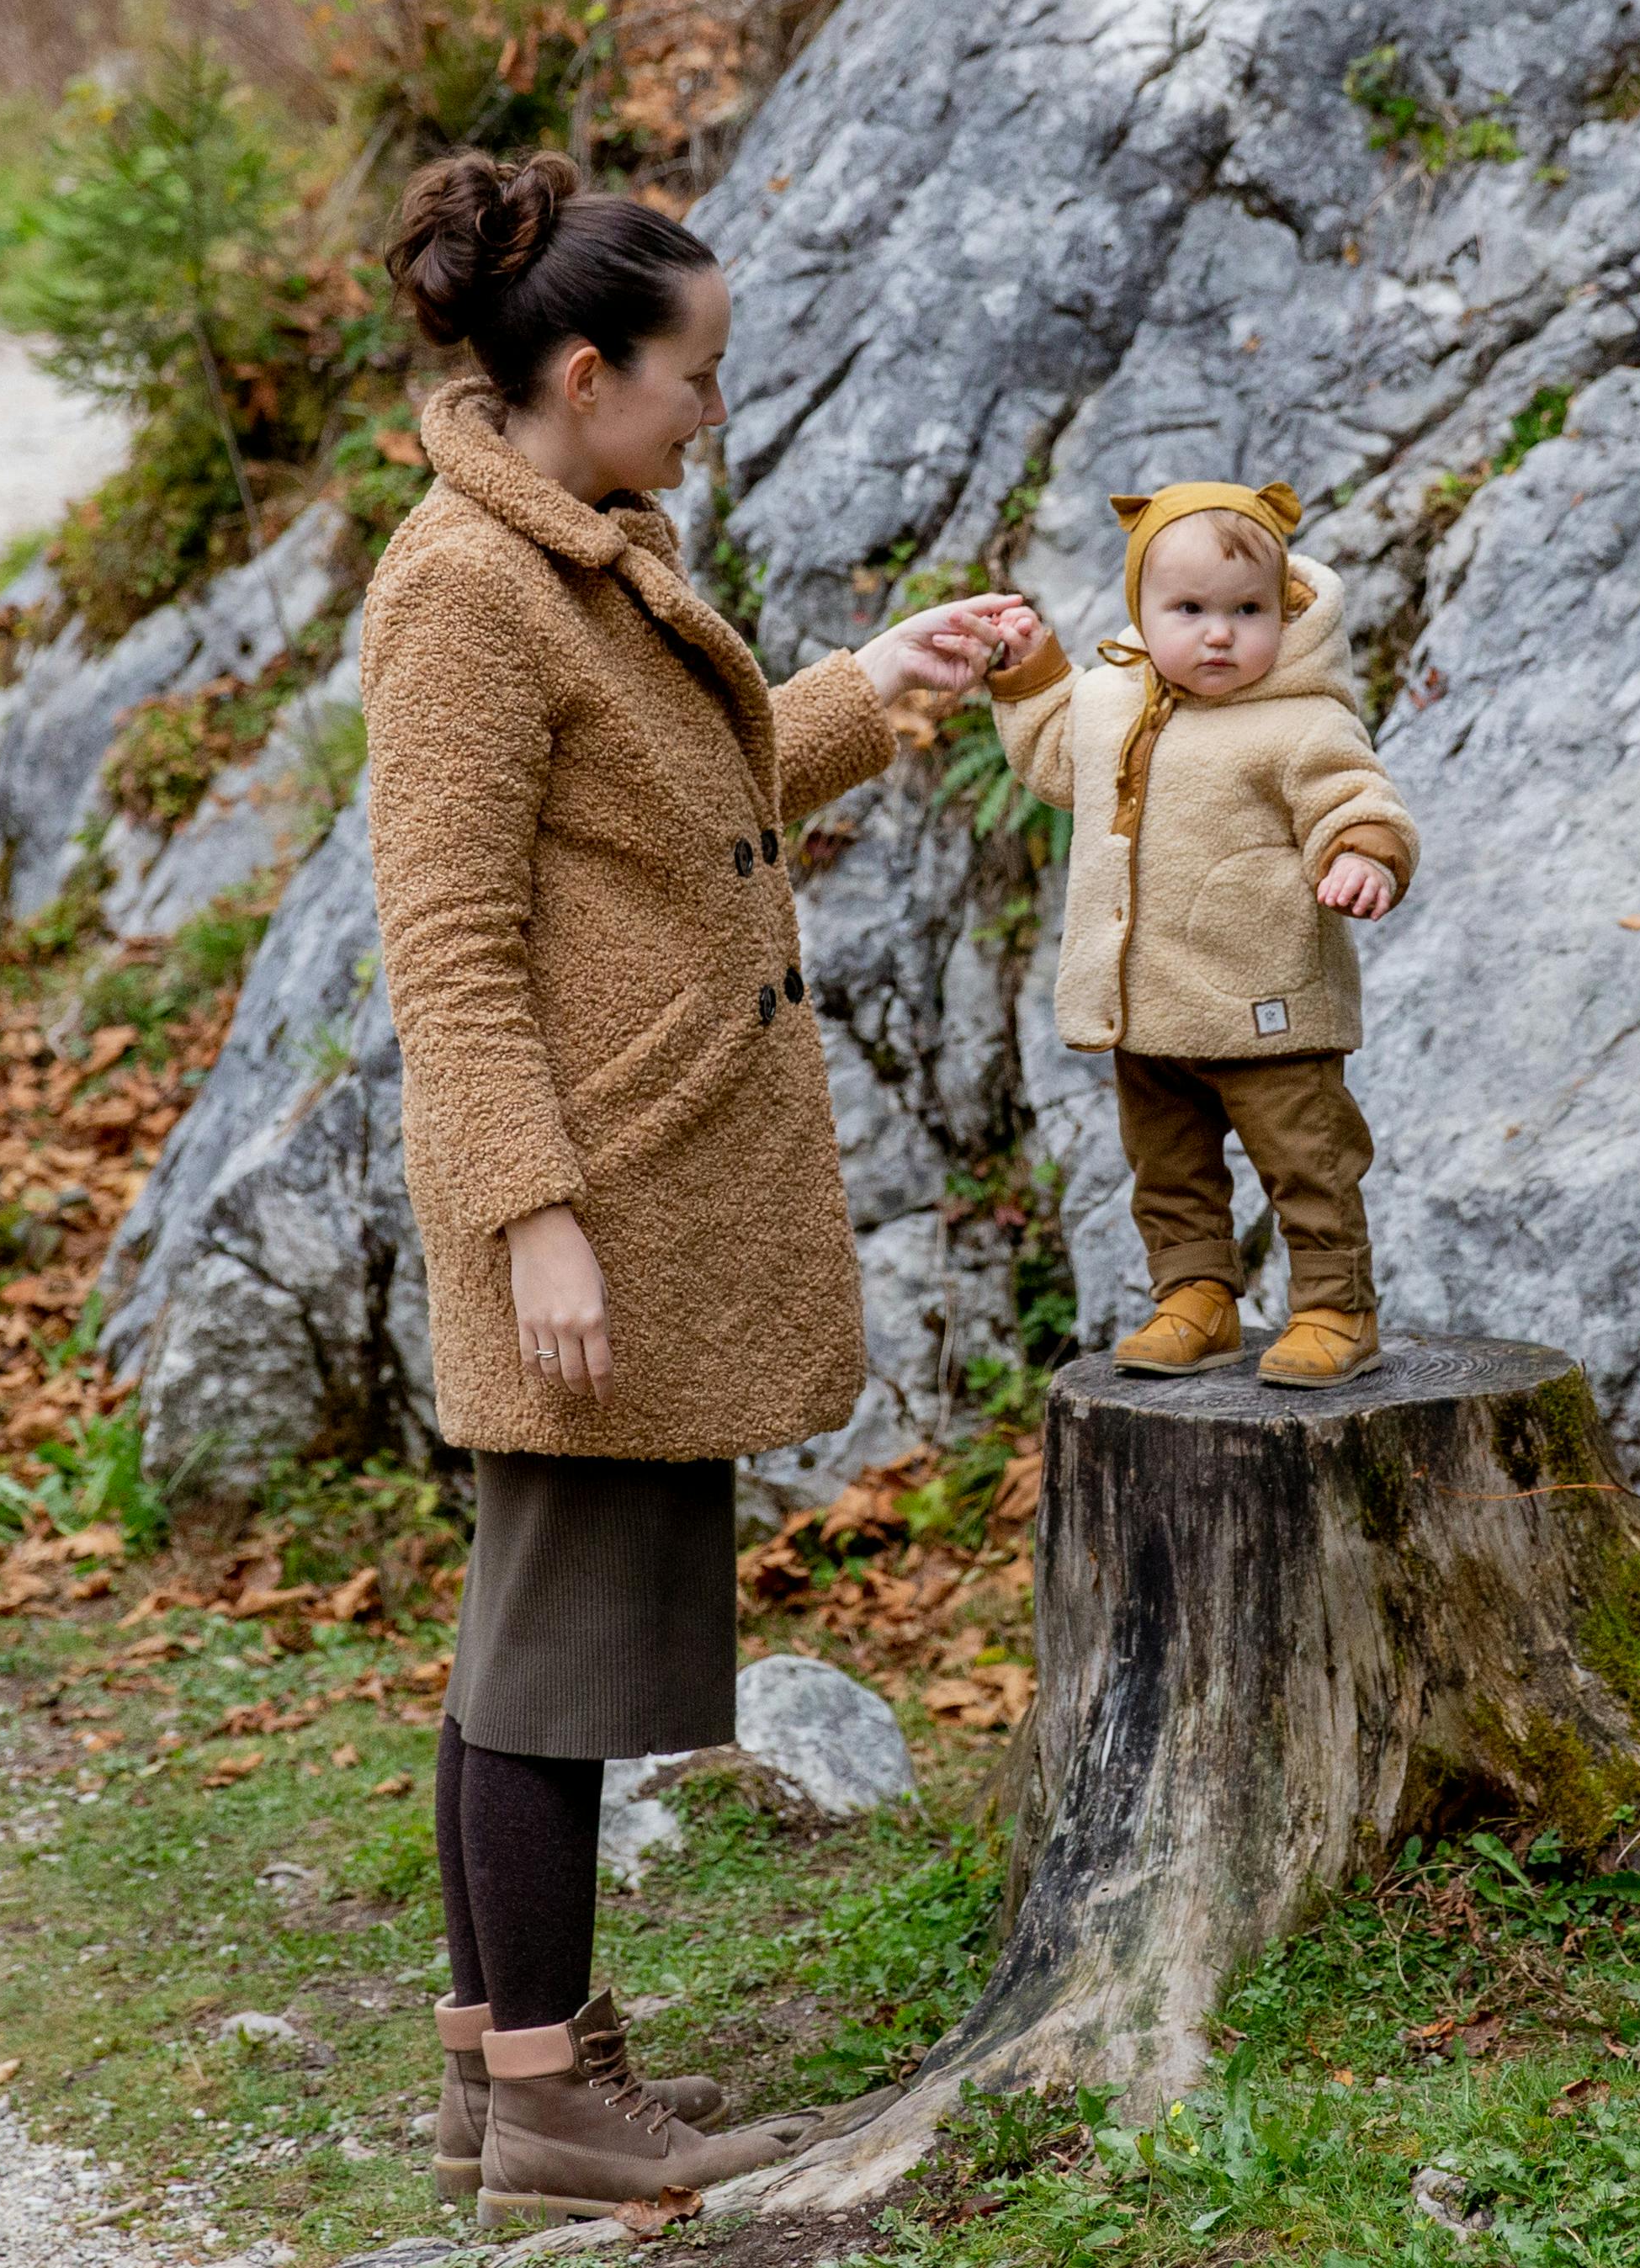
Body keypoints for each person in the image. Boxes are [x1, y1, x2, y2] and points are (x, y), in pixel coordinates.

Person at [355, 149, 1032, 2226]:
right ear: (582, 373)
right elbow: (449, 941)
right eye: (695, 376)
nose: (711, 410)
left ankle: (504, 2074)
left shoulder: (563, 543)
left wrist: (874, 688)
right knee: (558, 1658)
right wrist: (529, 1212)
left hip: (634, 1175)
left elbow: (680, 824)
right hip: (594, 1192)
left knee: (527, 1645)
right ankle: (560, 2101)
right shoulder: (464, 591)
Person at [985, 481, 1418, 1389]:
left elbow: (1356, 799)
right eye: (1188, 609)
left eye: (1246, 610)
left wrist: (1364, 857)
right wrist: (1031, 671)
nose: (1218, 633)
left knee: (1308, 1163)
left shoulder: (1301, 718)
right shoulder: (1111, 701)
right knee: (1168, 1169)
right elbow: (1058, 758)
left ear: (1284, 610)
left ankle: (1336, 1307)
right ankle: (1196, 1297)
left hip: (1269, 1003)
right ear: (1141, 610)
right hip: (1147, 1007)